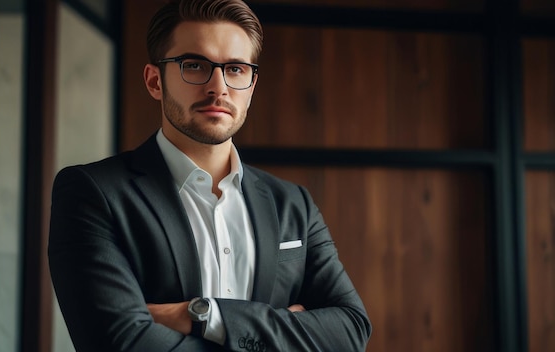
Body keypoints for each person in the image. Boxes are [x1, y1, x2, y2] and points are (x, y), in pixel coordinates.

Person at [48, 0, 372, 351]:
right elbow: (118, 342)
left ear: (251, 84)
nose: (218, 87)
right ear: (155, 81)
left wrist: (204, 315)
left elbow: (350, 330)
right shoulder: (92, 192)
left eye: (235, 69)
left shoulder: (294, 204)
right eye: (194, 65)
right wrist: (284, 334)